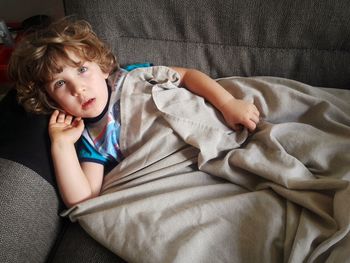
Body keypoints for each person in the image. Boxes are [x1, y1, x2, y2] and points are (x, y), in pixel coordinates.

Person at [8, 18, 260, 208]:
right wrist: (61, 146)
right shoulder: (92, 140)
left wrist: (227, 103)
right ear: (51, 100)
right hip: (182, 170)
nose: (78, 88)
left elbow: (186, 76)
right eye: (60, 84)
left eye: (82, 69)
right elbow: (82, 198)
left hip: (208, 126)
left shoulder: (132, 75)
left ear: (103, 68)